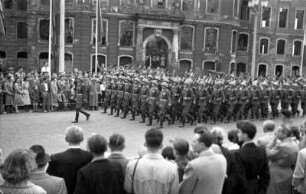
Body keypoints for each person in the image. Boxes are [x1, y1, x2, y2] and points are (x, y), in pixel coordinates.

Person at [124, 128, 179, 194]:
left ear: (145, 144)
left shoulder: (132, 165)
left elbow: (128, 189)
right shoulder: (172, 167)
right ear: (161, 146)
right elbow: (174, 192)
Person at [179, 128, 227, 194]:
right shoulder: (222, 159)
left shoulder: (194, 165)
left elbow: (184, 190)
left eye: (194, 142)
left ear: (202, 145)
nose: (192, 144)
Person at [47, 125, 93, 194]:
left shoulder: (55, 158)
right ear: (82, 138)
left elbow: (51, 178)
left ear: (66, 139)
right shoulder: (90, 156)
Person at [236, 120, 270, 194]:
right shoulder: (261, 150)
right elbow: (265, 175)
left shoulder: (238, 153)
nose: (237, 134)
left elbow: (239, 178)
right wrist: (262, 190)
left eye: (239, 132)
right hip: (257, 187)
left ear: (245, 135)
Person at [266, 124, 299, 194]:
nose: (276, 133)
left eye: (279, 131)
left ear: (285, 134)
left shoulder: (283, 146)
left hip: (278, 174)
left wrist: (273, 140)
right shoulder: (294, 142)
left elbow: (268, 153)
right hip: (288, 172)